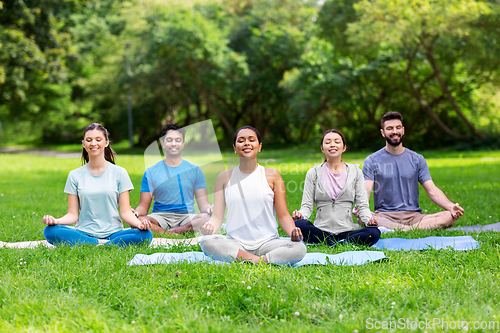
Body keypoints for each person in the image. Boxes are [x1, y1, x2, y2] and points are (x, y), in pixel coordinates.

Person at [199, 126, 307, 265]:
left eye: (251, 140)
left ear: (259, 146)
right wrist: (210, 227)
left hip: (268, 242)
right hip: (235, 243)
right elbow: (217, 217)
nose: (246, 143)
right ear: (234, 148)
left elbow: (283, 215)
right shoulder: (224, 177)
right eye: (241, 140)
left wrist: (293, 231)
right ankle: (259, 261)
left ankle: (253, 260)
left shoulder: (272, 176)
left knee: (299, 248)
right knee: (207, 242)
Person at [42, 123, 153, 247]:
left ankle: (93, 244)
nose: (93, 143)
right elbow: (72, 215)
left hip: (114, 232)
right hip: (84, 232)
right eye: (89, 140)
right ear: (84, 144)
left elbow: (126, 212)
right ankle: (103, 244)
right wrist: (55, 221)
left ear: (106, 142)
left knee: (146, 235)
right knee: (50, 231)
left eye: (98, 139)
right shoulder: (74, 175)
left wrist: (140, 224)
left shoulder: (120, 173)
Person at [361, 111, 464, 230]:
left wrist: (451, 206)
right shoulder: (372, 160)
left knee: (448, 216)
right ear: (382, 132)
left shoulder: (417, 159)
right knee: (365, 217)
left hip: (414, 217)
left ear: (403, 130)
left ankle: (401, 229)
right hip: (384, 215)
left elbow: (432, 191)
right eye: (390, 128)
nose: (395, 131)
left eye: (398, 127)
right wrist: (361, 208)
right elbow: (366, 190)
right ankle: (410, 229)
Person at [292, 130, 381, 246]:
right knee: (299, 224)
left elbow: (362, 206)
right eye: (328, 142)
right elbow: (306, 206)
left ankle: (331, 243)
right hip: (321, 231)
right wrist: (300, 215)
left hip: (347, 231)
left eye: (337, 142)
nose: (332, 144)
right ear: (322, 148)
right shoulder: (313, 173)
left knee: (374, 232)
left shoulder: (356, 172)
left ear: (344, 148)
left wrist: (369, 220)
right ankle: (339, 243)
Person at [132, 123, 212, 235]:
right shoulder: (151, 172)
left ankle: (167, 233)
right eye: (169, 140)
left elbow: (204, 205)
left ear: (183, 144)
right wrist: (135, 213)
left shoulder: (195, 170)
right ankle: (175, 234)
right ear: (163, 143)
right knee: (138, 221)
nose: (173, 143)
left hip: (187, 217)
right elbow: (143, 207)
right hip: (159, 217)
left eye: (178, 140)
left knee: (206, 217)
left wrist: (210, 208)